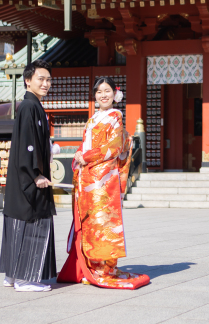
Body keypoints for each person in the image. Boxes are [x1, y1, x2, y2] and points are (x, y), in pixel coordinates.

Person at [57, 76, 150, 289]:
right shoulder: (93, 118)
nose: (103, 95)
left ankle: (104, 268)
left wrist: (87, 157)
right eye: (99, 92)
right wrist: (79, 155)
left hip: (104, 179)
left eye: (107, 91)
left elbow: (114, 146)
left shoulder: (115, 116)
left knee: (103, 222)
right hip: (88, 176)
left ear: (114, 94)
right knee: (89, 221)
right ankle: (89, 267)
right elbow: (85, 144)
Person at [0, 59, 59, 293]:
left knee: (18, 223)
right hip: (29, 178)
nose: (46, 84)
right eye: (40, 79)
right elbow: (28, 144)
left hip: (22, 177)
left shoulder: (32, 106)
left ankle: (13, 274)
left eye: (48, 80)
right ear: (27, 80)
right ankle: (25, 279)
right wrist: (35, 174)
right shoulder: (29, 106)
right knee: (32, 222)